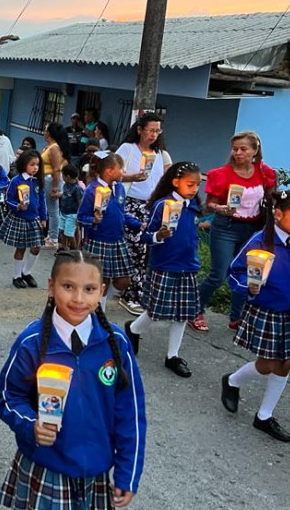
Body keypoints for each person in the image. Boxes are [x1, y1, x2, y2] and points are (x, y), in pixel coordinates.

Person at [0, 250, 146, 510]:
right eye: (68, 287)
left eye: (89, 289)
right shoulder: (32, 342)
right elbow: (9, 397)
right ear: (51, 287)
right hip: (50, 463)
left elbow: (131, 413)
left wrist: (128, 473)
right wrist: (32, 425)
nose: (78, 299)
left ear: (101, 291)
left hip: (97, 465)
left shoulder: (116, 344)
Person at [221, 188, 290, 443]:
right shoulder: (261, 241)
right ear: (279, 214)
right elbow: (234, 270)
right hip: (267, 310)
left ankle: (264, 415)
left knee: (284, 364)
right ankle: (233, 380)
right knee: (268, 364)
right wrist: (247, 287)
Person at [124, 162, 202, 379]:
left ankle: (173, 356)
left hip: (188, 265)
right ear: (175, 182)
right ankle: (134, 329)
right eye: (190, 184)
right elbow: (146, 236)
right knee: (156, 311)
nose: (195, 188)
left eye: (197, 184)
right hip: (165, 265)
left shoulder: (193, 204)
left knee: (183, 312)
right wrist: (159, 236)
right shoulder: (162, 205)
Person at [195, 131, 276, 332]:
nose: (238, 153)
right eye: (235, 149)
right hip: (226, 226)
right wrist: (220, 208)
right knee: (219, 273)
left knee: (247, 273)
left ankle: (237, 316)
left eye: (243, 149)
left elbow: (271, 197)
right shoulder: (220, 174)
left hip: (252, 228)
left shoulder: (265, 173)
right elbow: (209, 204)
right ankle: (195, 309)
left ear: (255, 151)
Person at [115, 113, 173, 316]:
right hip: (130, 203)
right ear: (140, 130)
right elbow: (114, 172)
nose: (154, 134)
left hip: (151, 206)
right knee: (136, 249)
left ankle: (136, 290)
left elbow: (167, 180)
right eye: (150, 130)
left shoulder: (161, 155)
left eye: (157, 131)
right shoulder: (128, 149)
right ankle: (130, 294)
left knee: (147, 250)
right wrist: (133, 176)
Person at [78, 154, 142, 311]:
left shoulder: (119, 188)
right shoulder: (91, 190)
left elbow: (122, 212)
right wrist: (93, 220)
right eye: (120, 168)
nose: (123, 171)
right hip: (99, 239)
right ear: (109, 171)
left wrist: (139, 224)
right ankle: (100, 311)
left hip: (118, 239)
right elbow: (81, 217)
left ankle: (102, 301)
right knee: (101, 279)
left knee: (124, 280)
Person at [0, 150, 48, 289]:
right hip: (20, 218)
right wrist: (18, 206)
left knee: (36, 247)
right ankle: (17, 276)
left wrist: (43, 217)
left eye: (37, 165)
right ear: (24, 164)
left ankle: (27, 272)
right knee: (21, 248)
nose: (35, 168)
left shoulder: (38, 181)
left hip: (34, 218)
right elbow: (8, 199)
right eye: (32, 164)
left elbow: (41, 200)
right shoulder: (16, 180)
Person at [57, 163, 82, 251]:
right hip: (63, 212)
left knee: (69, 233)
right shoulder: (65, 185)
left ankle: (74, 249)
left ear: (67, 176)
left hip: (72, 214)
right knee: (63, 231)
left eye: (63, 175)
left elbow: (80, 202)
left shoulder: (77, 188)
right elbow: (65, 194)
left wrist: (78, 216)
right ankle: (63, 248)